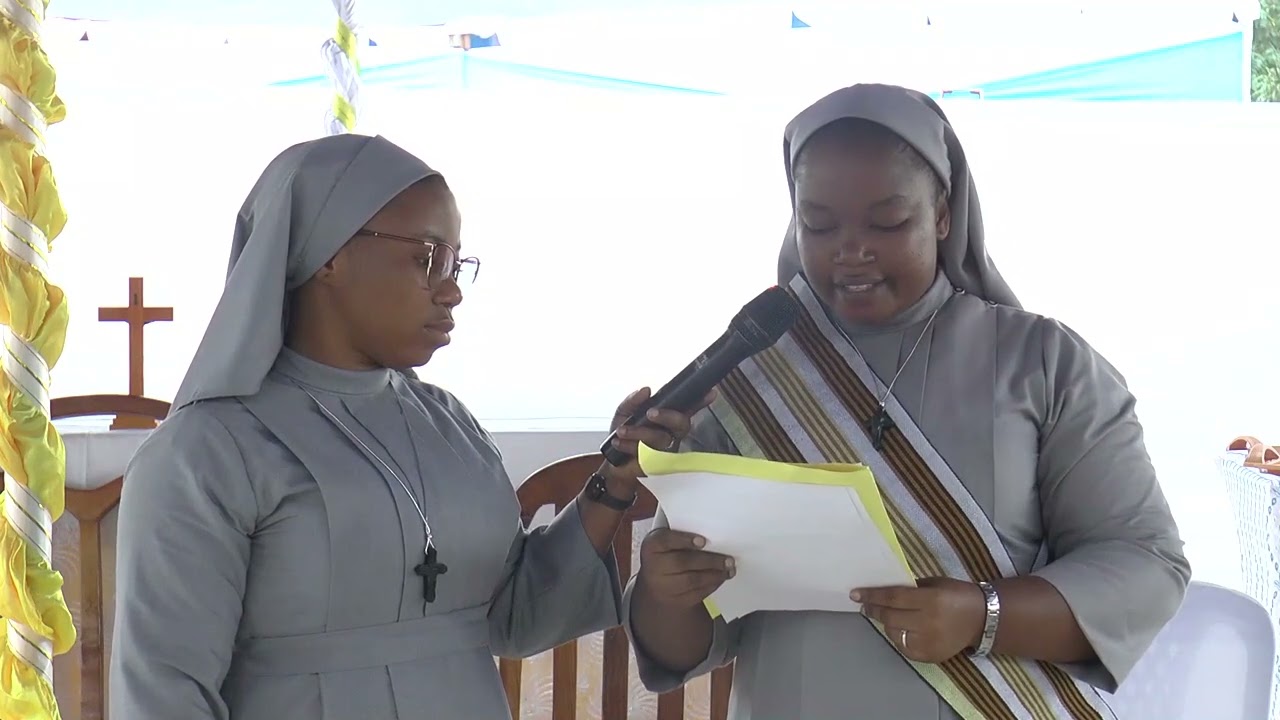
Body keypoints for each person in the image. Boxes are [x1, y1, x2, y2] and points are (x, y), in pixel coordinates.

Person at [624, 84, 1191, 720]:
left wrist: (985, 616)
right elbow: (688, 643)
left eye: (888, 222)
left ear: (943, 215)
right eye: (819, 223)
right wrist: (667, 592)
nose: (851, 249)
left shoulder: (1044, 362)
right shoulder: (751, 379)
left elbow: (1144, 563)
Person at [109, 134, 705, 719]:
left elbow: (514, 618)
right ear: (328, 256)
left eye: (457, 263)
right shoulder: (206, 452)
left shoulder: (449, 425)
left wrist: (616, 476)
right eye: (428, 258)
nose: (451, 291)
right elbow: (165, 691)